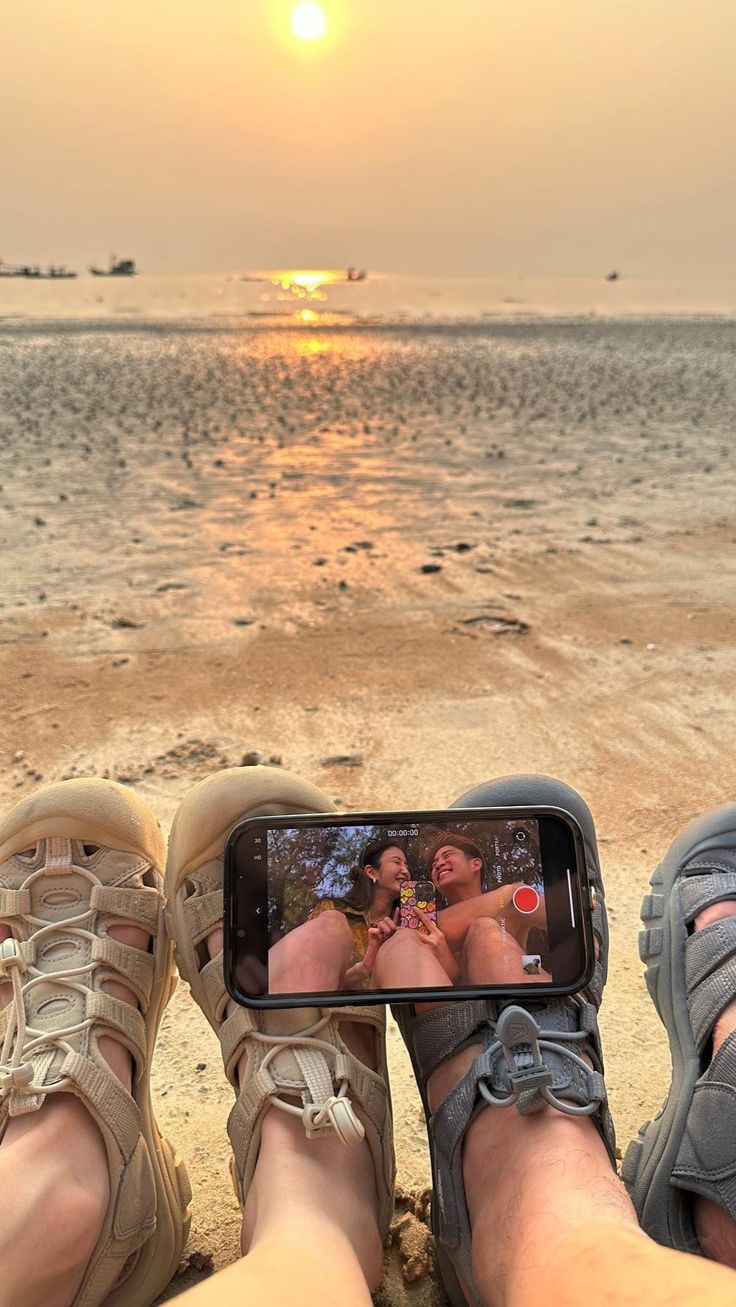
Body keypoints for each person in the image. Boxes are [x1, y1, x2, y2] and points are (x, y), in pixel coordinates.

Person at [1, 766, 736, 1307]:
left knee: (460, 936)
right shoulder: (378, 917)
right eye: (412, 859)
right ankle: (533, 1184)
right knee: (375, 941)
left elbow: (522, 903)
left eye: (440, 857)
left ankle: (82, 1171)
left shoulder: (448, 907)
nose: (424, 863)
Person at [371, 828, 550, 989]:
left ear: (475, 864)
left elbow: (566, 920)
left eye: (447, 855)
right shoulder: (426, 924)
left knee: (485, 928)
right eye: (434, 865)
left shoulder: (512, 909)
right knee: (483, 927)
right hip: (460, 1014)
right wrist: (509, 892)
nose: (438, 864)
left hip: (530, 1000)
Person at [266, 837, 406, 994]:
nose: (405, 870)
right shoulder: (333, 912)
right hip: (323, 1011)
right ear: (372, 872)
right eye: (397, 862)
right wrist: (363, 968)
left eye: (406, 865)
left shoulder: (406, 926)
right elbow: (308, 973)